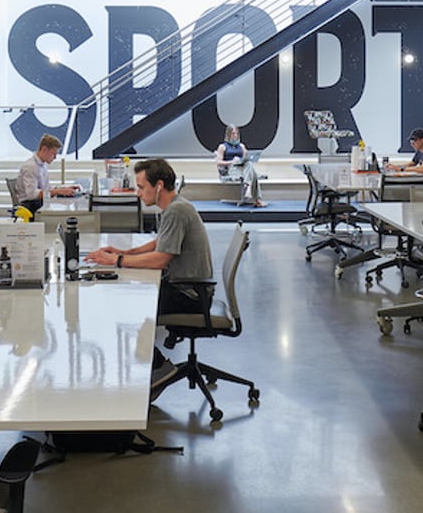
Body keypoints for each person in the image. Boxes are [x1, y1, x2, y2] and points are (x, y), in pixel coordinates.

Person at [85, 158, 212, 399]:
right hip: (186, 286)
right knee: (126, 297)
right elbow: (159, 243)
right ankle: (150, 365)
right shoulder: (174, 207)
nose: (138, 192)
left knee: (124, 306)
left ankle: (158, 366)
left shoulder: (175, 211)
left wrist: (118, 262)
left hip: (190, 294)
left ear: (159, 186)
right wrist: (124, 253)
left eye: (142, 187)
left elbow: (161, 258)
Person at [16, 134, 78, 210]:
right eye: (53, 154)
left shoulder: (42, 165)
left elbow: (47, 189)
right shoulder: (31, 166)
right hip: (30, 206)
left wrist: (64, 189)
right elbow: (31, 194)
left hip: (39, 203)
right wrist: (57, 192)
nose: (55, 157)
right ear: (44, 149)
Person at [214, 124, 265, 207]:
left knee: (249, 164)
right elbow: (219, 162)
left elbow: (246, 158)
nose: (235, 135)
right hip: (231, 169)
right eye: (233, 133)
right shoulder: (223, 147)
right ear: (228, 134)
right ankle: (257, 199)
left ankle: (248, 186)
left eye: (236, 133)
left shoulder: (241, 146)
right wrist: (231, 162)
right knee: (253, 175)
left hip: (243, 168)